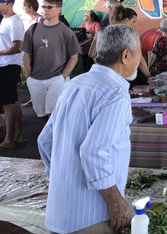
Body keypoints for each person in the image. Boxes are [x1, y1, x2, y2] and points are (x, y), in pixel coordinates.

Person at [38, 24, 142, 233]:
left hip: (60, 212)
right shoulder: (115, 93)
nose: (140, 59)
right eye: (139, 52)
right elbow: (94, 151)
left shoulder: (76, 83)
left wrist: (63, 175)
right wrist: (115, 201)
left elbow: (45, 140)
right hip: (90, 216)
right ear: (125, 56)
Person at [22, 0, 80, 119]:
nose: (45, 9)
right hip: (36, 77)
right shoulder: (33, 29)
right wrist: (28, 76)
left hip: (56, 77)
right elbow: (27, 53)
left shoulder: (66, 32)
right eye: (44, 6)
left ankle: (54, 138)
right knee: (41, 114)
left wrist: (63, 77)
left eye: (49, 7)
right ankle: (46, 137)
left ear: (59, 10)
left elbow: (74, 56)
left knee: (55, 113)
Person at [0, 0, 25, 152]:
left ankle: (9, 139)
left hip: (7, 66)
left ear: (10, 4)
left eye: (0, 2)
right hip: (4, 65)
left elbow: (17, 47)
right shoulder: (6, 20)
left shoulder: (15, 22)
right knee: (12, 102)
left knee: (8, 103)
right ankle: (16, 135)